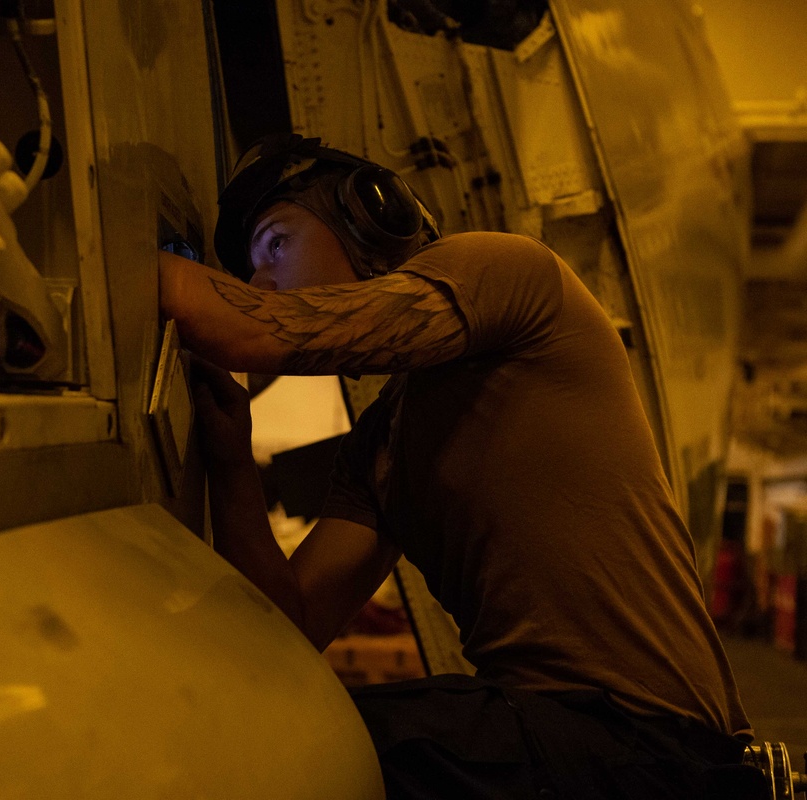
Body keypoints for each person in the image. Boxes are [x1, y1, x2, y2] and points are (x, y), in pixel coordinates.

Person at [158, 133, 764, 799]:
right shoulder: (381, 444)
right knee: (296, 737)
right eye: (252, 270)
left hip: (647, 741)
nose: (262, 280)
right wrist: (232, 459)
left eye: (276, 244)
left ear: (369, 215)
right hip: (561, 740)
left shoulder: (501, 273)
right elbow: (291, 626)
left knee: (312, 755)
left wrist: (131, 269)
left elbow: (259, 328)